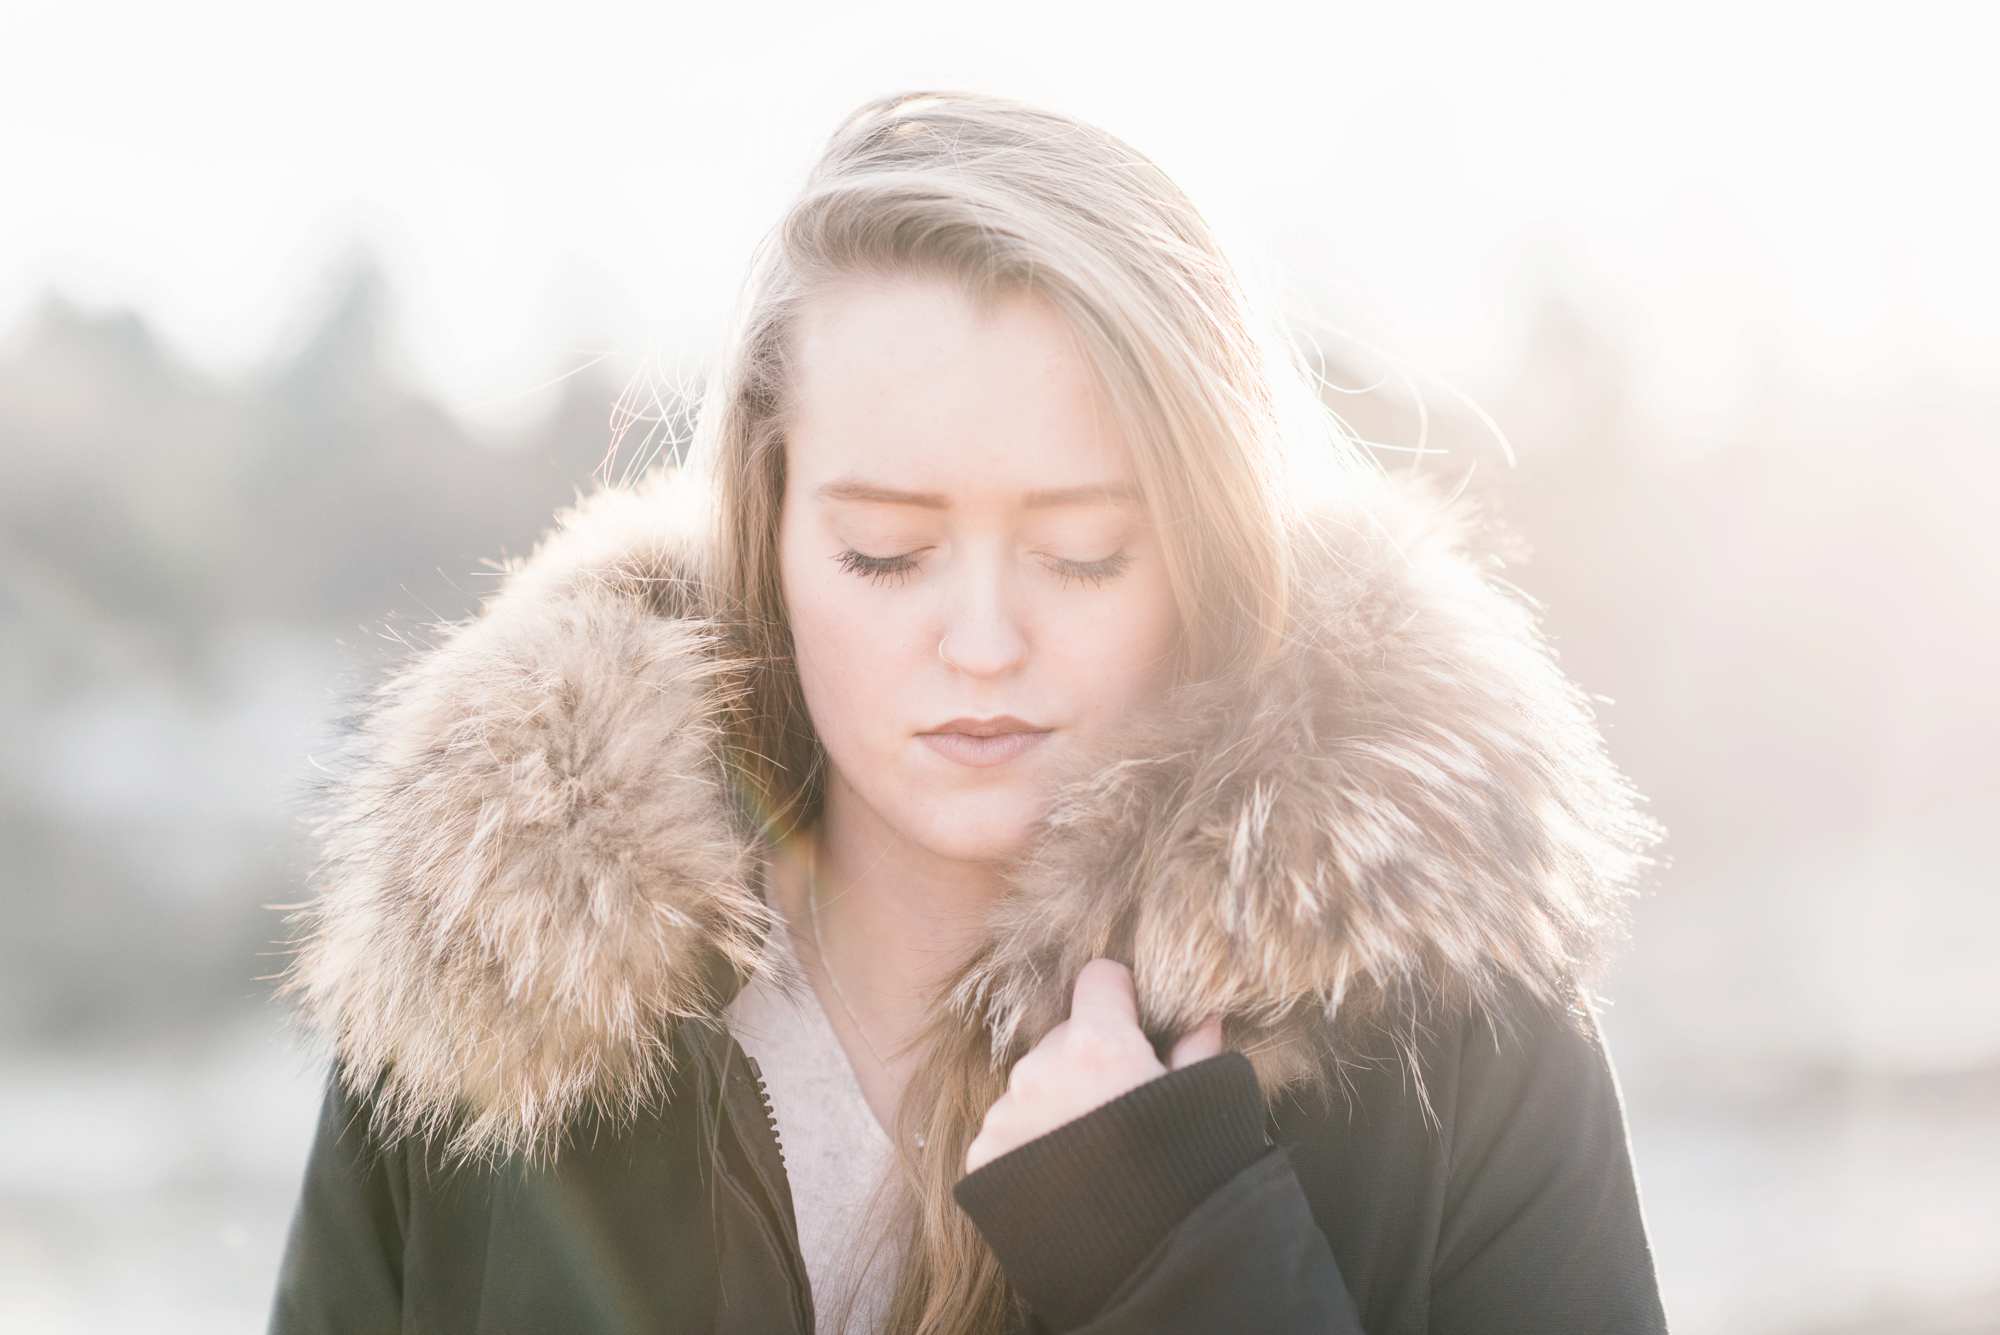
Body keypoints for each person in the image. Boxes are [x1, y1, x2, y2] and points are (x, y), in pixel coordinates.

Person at [263, 88, 1671, 1334]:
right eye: (887, 550)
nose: (985, 642)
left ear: (1207, 546)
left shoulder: (1448, 1045)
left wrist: (1178, 1256)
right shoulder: (503, 994)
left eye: (1082, 553)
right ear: (772, 532)